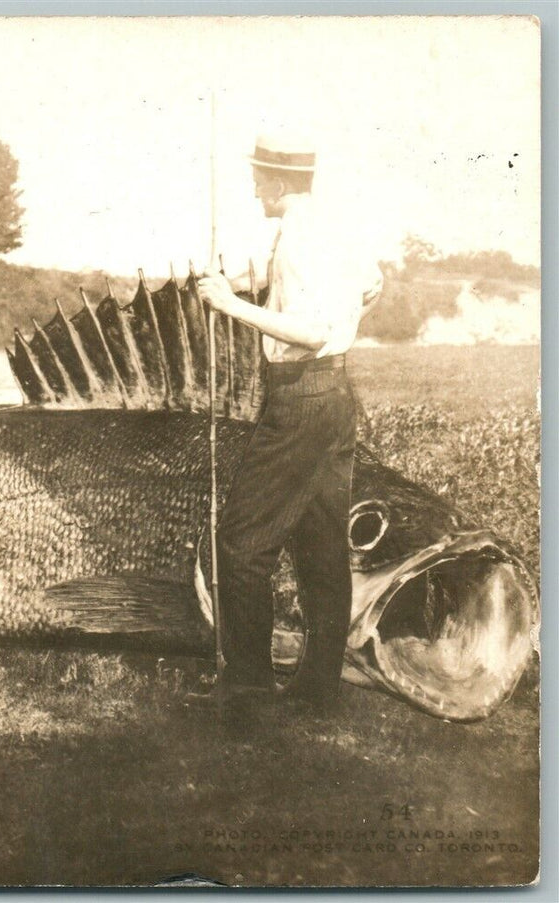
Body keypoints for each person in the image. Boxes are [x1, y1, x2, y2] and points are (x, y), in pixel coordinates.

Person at [193, 131, 383, 714]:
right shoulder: (337, 225)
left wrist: (230, 304)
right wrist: (282, 303)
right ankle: (320, 689)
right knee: (321, 546)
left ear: (277, 183)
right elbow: (372, 283)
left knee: (241, 542)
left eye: (257, 182)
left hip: (300, 398)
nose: (254, 192)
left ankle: (247, 693)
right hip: (334, 394)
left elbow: (313, 330)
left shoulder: (300, 240)